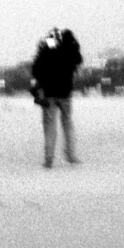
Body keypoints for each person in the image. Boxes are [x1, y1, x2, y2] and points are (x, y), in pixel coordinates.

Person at [31, 27, 83, 168]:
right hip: (65, 93)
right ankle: (70, 155)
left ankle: (49, 158)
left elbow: (35, 70)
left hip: (48, 94)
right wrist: (72, 43)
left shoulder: (45, 51)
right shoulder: (69, 50)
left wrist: (43, 48)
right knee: (67, 125)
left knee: (49, 126)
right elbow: (78, 60)